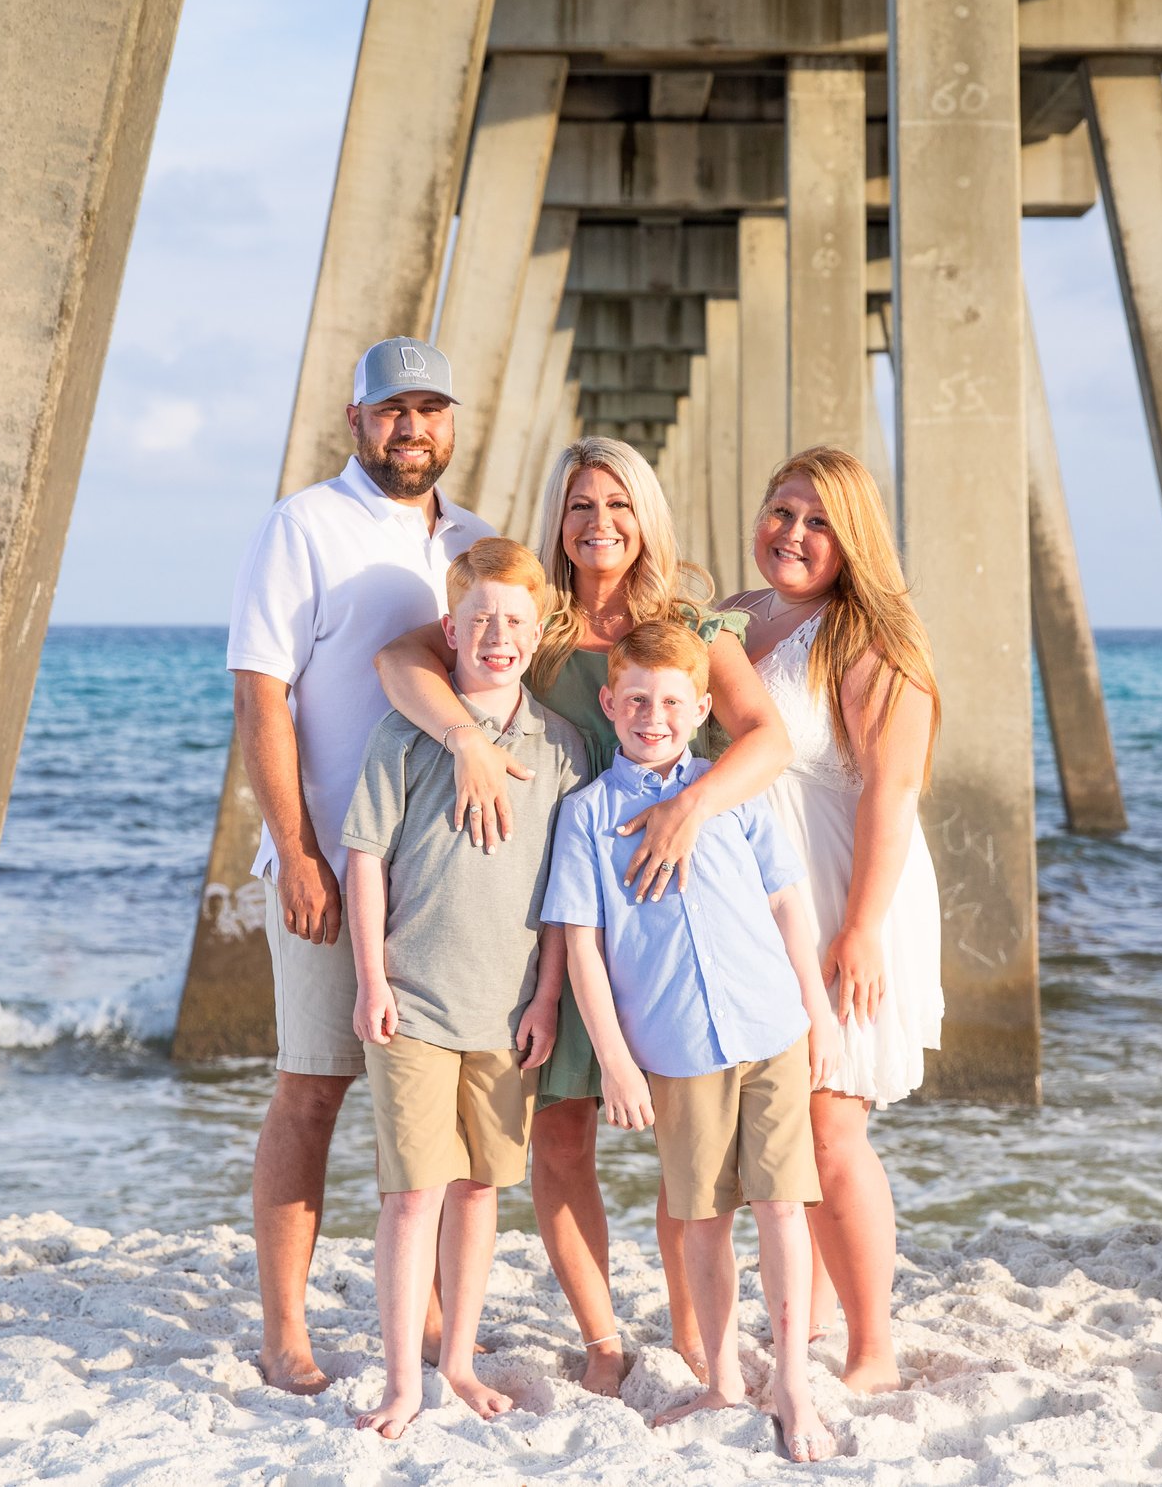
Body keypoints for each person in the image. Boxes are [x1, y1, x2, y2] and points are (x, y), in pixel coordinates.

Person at [372, 436, 793, 1393]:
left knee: (692, 1138)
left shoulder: (695, 621)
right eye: (578, 506)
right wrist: (463, 743)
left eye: (617, 504)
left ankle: (695, 1335)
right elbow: (398, 657)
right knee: (561, 1136)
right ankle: (605, 1339)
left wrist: (691, 806)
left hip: (673, 919)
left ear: (645, 513)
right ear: (558, 522)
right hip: (559, 919)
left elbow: (764, 739)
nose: (599, 523)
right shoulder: (537, 623)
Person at [225, 336, 493, 1394]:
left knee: (429, 1096)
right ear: (357, 419)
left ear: (453, 422)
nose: (411, 427)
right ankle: (284, 1328)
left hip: (445, 875)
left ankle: (427, 1308)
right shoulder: (302, 525)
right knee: (312, 1090)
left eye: (430, 408)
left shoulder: (475, 540)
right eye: (392, 409)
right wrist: (294, 851)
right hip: (333, 864)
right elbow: (261, 697)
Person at [545, 620, 842, 1463]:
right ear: (610, 703)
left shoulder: (729, 791)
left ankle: (791, 1381)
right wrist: (614, 1061)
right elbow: (582, 950)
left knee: (784, 1206)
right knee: (703, 1217)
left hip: (771, 1026)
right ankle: (723, 1381)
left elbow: (788, 903)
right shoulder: (587, 817)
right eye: (635, 700)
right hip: (674, 1052)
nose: (653, 715)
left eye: (673, 701)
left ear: (701, 706)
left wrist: (818, 1013)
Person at [343, 537, 589, 1439]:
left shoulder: (559, 749)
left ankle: (458, 1360)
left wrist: (549, 997)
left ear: (538, 635)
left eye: (515, 621)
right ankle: (403, 1378)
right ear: (448, 627)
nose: (496, 635)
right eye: (479, 618)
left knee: (481, 1190)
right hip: (410, 999)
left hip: (507, 1007)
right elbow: (364, 856)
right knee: (413, 1193)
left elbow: (568, 892)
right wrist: (371, 976)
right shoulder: (405, 731)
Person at [722, 446, 944, 1395]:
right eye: (782, 511)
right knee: (776, 1117)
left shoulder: (869, 643)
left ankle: (872, 1347)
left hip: (847, 890)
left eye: (817, 521)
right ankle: (806, 1317)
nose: (794, 534)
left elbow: (890, 794)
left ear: (852, 538)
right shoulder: (739, 614)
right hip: (761, 896)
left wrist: (860, 927)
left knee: (830, 1121)